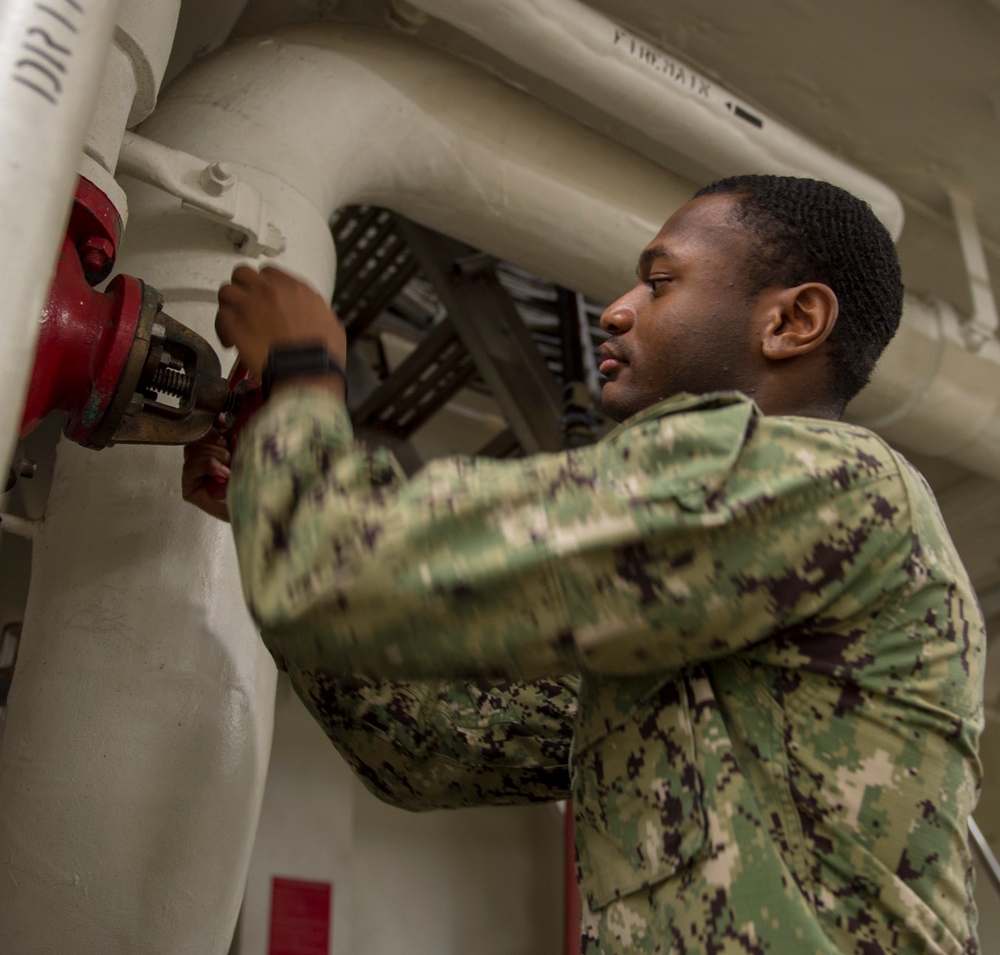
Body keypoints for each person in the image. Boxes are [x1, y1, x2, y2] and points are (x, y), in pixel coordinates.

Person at [184, 175, 985, 954]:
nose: (617, 308)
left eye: (661, 282)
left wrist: (302, 374)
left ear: (792, 321)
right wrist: (274, 494)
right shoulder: (707, 617)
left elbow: (334, 576)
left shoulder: (822, 479)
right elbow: (427, 747)